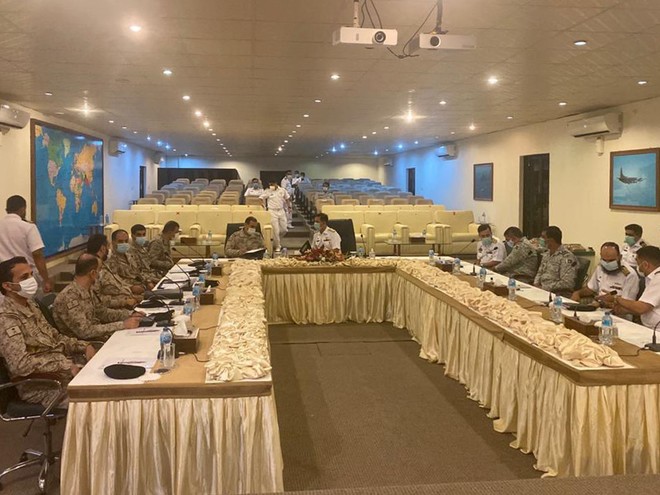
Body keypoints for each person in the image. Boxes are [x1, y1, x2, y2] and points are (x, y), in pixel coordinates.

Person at [0, 256, 95, 406]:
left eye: (31, 274)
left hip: (63, 373)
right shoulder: (6, 319)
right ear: (7, 286)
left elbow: (55, 337)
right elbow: (20, 365)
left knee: (107, 380)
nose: (31, 280)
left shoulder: (31, 306)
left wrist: (84, 346)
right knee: (97, 398)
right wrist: (64, 365)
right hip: (43, 386)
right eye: (24, 277)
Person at [53, 254, 141, 340]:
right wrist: (122, 325)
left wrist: (129, 315)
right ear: (93, 273)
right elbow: (85, 331)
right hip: (85, 345)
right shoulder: (69, 297)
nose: (100, 274)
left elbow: (102, 313)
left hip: (99, 337)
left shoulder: (88, 290)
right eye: (100, 270)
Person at [0, 195, 52, 292]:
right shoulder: (28, 227)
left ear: (7, 210)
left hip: (4, 277)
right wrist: (46, 279)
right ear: (23, 209)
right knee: (28, 300)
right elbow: (37, 254)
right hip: (26, 277)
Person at [599, 246, 660, 328]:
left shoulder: (658, 279)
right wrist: (625, 311)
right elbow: (649, 308)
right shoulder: (652, 278)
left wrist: (615, 298)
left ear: (645, 265)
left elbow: (641, 308)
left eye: (638, 263)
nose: (637, 267)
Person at [571, 242, 639, 305]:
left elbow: (628, 304)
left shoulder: (630, 275)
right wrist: (578, 293)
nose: (607, 263)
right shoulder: (600, 267)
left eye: (611, 260)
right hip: (598, 306)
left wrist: (610, 301)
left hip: (616, 310)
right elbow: (591, 289)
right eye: (604, 260)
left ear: (619, 257)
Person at [87, 234, 139, 309]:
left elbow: (118, 284)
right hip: (118, 308)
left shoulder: (105, 265)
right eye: (108, 246)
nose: (110, 249)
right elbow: (96, 300)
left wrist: (133, 293)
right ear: (103, 248)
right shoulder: (94, 270)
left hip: (129, 300)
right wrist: (123, 302)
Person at [533, 226, 579, 297]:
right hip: (541, 290)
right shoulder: (547, 254)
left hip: (557, 293)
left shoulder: (566, 257)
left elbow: (567, 283)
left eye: (543, 237)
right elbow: (540, 272)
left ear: (551, 240)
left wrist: (544, 288)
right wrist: (536, 284)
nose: (540, 240)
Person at [260, 182, 289, 252]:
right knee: (276, 230)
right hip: (272, 211)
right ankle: (278, 246)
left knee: (284, 229)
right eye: (270, 185)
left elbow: (287, 198)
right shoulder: (268, 191)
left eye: (272, 184)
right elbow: (261, 198)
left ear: (276, 184)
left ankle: (276, 240)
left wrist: (289, 206)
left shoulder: (282, 190)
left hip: (281, 210)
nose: (271, 186)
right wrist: (263, 205)